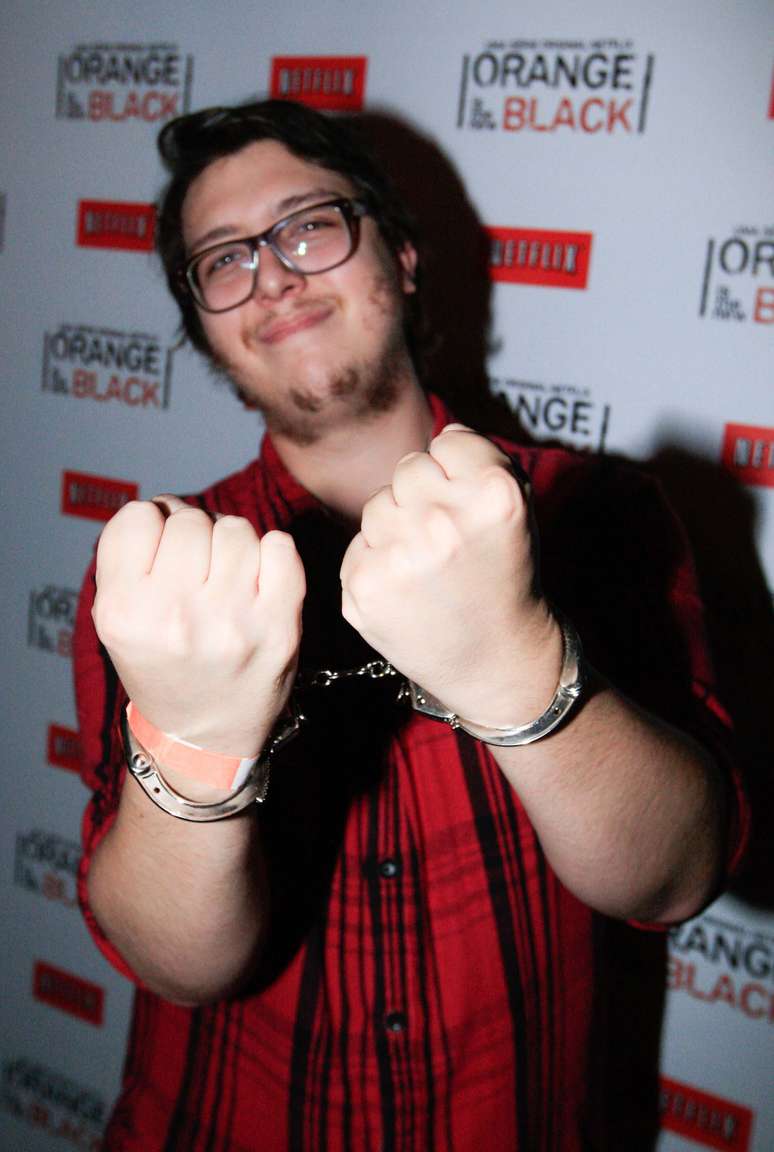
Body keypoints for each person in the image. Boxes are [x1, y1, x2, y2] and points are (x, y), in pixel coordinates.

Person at [73, 99, 747, 1151]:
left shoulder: (599, 513)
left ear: (405, 253)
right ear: (203, 323)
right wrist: (194, 748)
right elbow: (178, 964)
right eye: (223, 259)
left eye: (308, 225)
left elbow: (675, 873)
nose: (275, 276)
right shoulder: (165, 574)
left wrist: (519, 667)